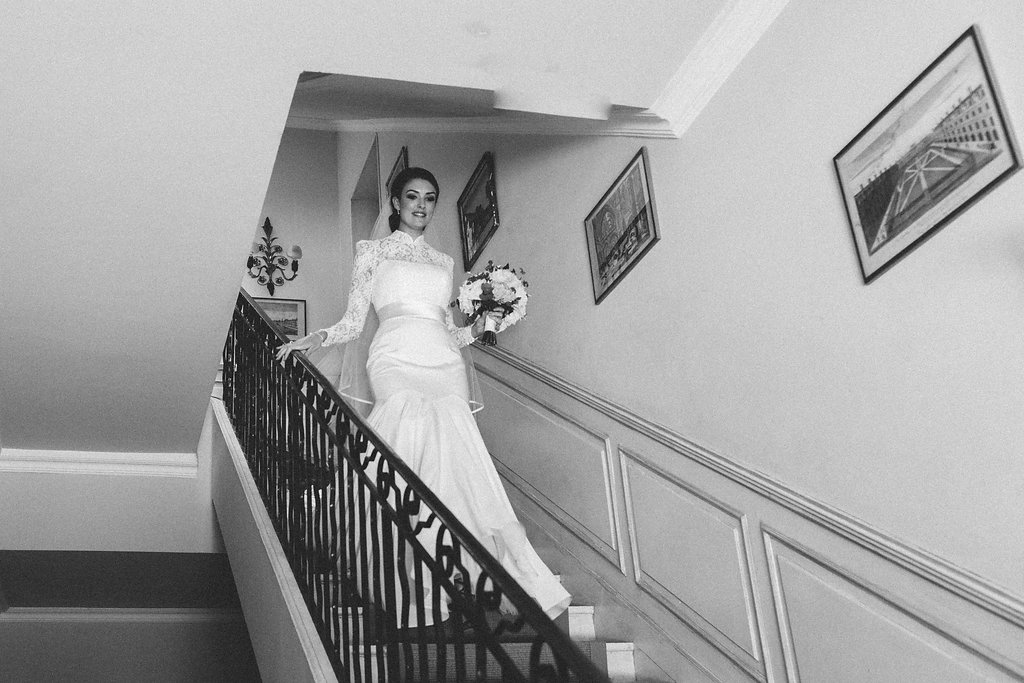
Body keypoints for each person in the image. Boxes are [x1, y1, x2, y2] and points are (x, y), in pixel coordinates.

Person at [277, 167, 570, 623]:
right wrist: (311, 340)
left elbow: (449, 333)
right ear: (395, 203)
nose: (421, 206)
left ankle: (465, 571)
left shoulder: (444, 262)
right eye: (411, 196)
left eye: (430, 198)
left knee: (456, 461)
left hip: (442, 361)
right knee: (403, 442)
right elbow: (355, 321)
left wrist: (484, 325)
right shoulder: (371, 252)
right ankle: (408, 570)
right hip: (394, 356)